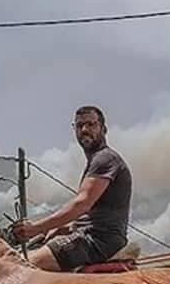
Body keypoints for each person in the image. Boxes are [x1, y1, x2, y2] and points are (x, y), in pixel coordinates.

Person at [12, 105, 132, 271]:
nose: (84, 130)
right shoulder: (96, 161)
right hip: (93, 236)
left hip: (98, 241)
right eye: (79, 125)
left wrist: (35, 228)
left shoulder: (105, 158)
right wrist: (63, 228)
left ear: (103, 129)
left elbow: (82, 204)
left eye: (91, 124)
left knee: (20, 267)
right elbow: (93, 216)